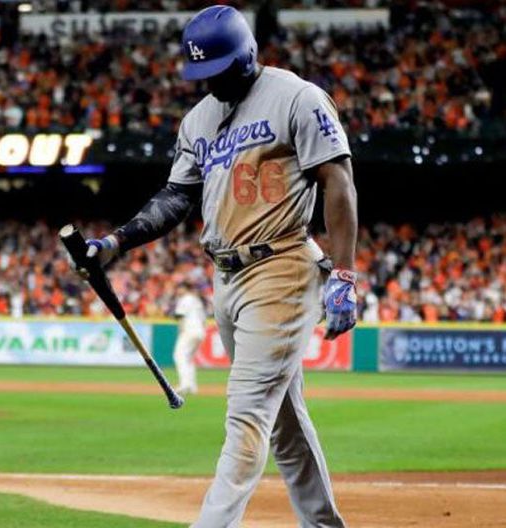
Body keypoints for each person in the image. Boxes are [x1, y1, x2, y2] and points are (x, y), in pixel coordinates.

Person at [76, 6, 357, 527]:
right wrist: (117, 242)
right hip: (226, 279)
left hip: (282, 266)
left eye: (219, 70)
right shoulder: (198, 119)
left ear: (247, 56)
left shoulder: (297, 97)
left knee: (246, 416)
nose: (210, 82)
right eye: (201, 72)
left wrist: (343, 272)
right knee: (285, 426)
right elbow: (176, 197)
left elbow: (337, 180)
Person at [173, 281, 207, 395]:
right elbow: (203, 319)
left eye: (180, 288)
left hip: (190, 330)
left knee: (179, 356)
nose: (178, 290)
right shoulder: (196, 300)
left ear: (185, 288)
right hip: (200, 331)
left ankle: (184, 384)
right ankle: (192, 386)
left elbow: (179, 315)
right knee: (188, 359)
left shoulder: (186, 298)